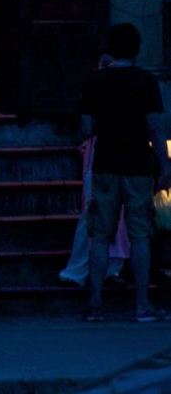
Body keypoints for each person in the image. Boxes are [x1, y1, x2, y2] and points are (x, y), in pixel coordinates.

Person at [81, 22, 171, 322]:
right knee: (140, 235)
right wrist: (165, 165)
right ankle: (142, 304)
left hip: (106, 163)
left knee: (100, 236)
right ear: (137, 49)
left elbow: (86, 128)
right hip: (137, 165)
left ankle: (95, 304)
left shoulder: (95, 81)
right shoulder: (146, 82)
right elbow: (155, 127)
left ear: (111, 49)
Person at [59, 54, 130, 288]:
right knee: (95, 214)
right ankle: (82, 269)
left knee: (115, 216)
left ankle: (109, 269)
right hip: (105, 155)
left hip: (115, 154)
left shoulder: (122, 87)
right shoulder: (96, 89)